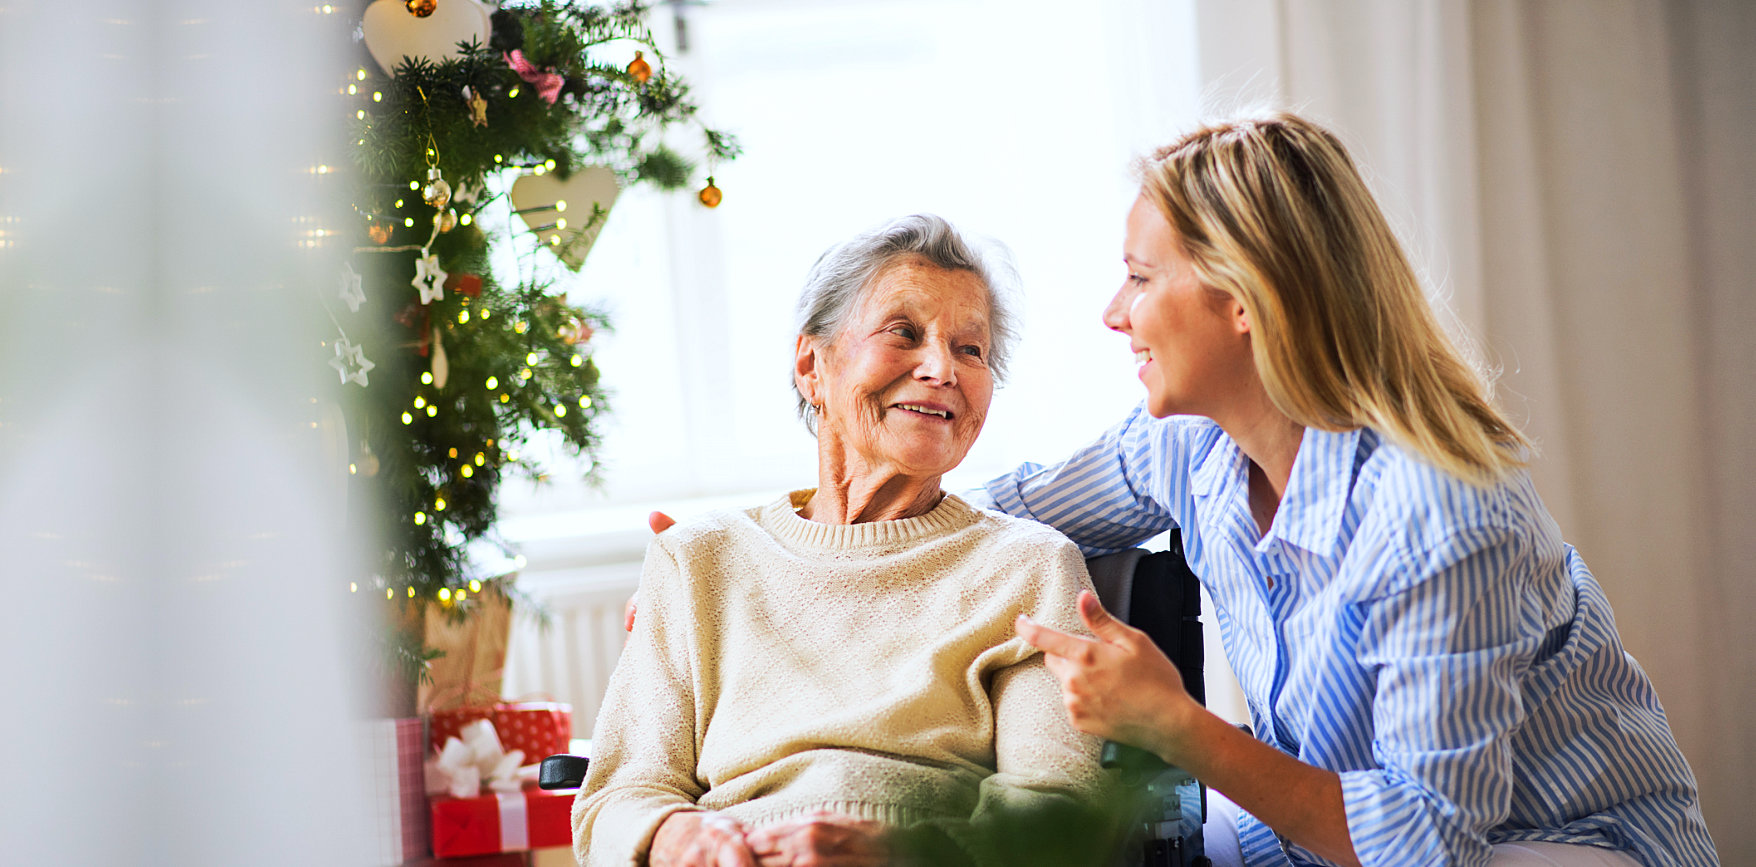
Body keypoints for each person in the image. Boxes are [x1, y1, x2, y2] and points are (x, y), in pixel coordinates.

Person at [997, 112, 1718, 867]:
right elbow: (1005, 514)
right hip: (1327, 838)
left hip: (1550, 845)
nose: (1115, 314)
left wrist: (1176, 725)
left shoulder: (1440, 512)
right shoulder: (1189, 441)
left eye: (1141, 277)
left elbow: (1424, 840)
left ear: (1244, 297)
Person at [574, 215, 1114, 867]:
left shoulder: (1031, 568)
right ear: (812, 365)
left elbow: (1055, 814)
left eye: (971, 349)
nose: (942, 367)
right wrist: (681, 838)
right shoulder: (697, 559)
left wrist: (902, 852)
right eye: (904, 333)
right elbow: (618, 796)